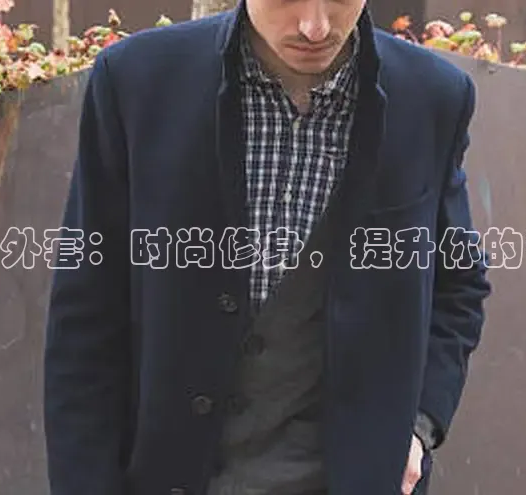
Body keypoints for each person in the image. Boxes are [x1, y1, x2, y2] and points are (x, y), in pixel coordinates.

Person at [42, 0, 492, 493]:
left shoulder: (432, 96)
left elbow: (458, 283)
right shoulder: (138, 81)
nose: (315, 27)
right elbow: (87, 307)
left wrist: (418, 425)